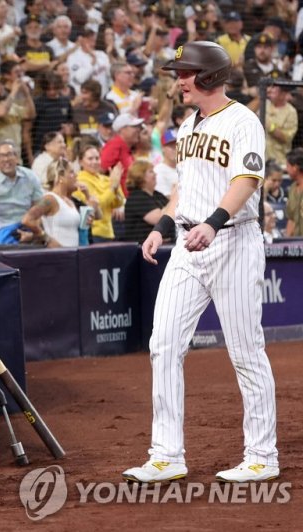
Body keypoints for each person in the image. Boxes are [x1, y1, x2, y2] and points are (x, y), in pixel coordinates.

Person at [124, 41, 279, 484]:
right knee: (164, 345)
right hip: (188, 244)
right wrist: (162, 226)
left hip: (231, 240)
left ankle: (262, 456)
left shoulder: (243, 121)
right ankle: (167, 454)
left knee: (245, 351)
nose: (179, 80)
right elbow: (183, 189)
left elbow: (246, 180)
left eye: (186, 73)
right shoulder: (188, 124)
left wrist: (212, 222)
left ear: (209, 77)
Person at [21, 158, 97, 247]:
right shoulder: (49, 199)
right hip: (57, 256)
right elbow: (27, 219)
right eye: (71, 172)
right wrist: (46, 238)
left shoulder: (70, 201)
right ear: (61, 177)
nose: (76, 175)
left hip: (73, 255)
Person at [74, 143, 124, 242]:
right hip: (93, 233)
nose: (95, 162)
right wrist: (113, 187)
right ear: (80, 162)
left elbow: (119, 202)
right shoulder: (80, 180)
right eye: (90, 159)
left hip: (109, 232)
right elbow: (98, 205)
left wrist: (116, 186)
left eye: (97, 158)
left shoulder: (105, 179)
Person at [122, 160, 170, 243]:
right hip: (141, 248)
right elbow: (159, 219)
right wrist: (173, 200)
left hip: (164, 245)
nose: (155, 174)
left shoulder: (157, 195)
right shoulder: (137, 197)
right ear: (140, 176)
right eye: (151, 171)